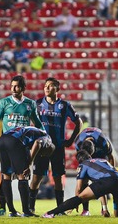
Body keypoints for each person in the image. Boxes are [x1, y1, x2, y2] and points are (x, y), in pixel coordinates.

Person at [0, 75, 45, 216]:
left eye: (17, 86)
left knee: (11, 175)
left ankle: (13, 211)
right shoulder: (4, 102)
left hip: (21, 144)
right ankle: (20, 211)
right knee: (15, 175)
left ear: (23, 88)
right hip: (10, 142)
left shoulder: (30, 104)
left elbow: (37, 122)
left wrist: (44, 134)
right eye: (12, 86)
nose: (13, 89)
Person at [29, 77, 82, 214]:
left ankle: (60, 209)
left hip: (58, 147)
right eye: (45, 85)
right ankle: (30, 207)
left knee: (58, 178)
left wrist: (71, 140)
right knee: (36, 178)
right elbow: (30, 122)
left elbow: (79, 122)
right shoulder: (38, 104)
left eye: (51, 86)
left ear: (57, 89)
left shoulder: (64, 105)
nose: (47, 88)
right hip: (42, 147)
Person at [42, 150, 118, 218]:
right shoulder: (102, 160)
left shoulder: (83, 165)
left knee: (80, 198)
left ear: (79, 161)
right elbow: (101, 190)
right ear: (90, 156)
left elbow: (79, 188)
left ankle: (50, 213)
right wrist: (104, 208)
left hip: (107, 181)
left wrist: (75, 203)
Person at [0, 126, 55, 217]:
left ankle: (12, 211)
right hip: (15, 141)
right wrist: (29, 163)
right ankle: (26, 211)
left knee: (6, 176)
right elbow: (37, 143)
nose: (40, 155)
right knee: (23, 175)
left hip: (2, 139)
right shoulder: (47, 139)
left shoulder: (34, 131)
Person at [74, 127, 114, 216]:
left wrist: (112, 170)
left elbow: (110, 157)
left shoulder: (103, 142)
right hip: (86, 155)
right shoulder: (78, 143)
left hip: (101, 156)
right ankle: (85, 210)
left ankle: (104, 209)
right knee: (83, 180)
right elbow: (80, 160)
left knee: (99, 181)